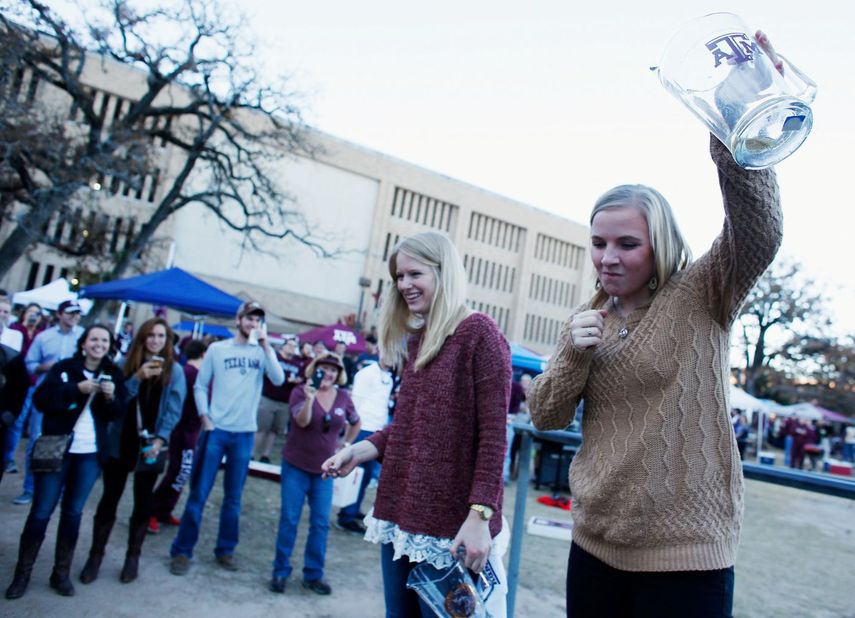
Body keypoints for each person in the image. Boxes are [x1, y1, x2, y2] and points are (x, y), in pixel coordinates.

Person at [526, 127, 782, 616]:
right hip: (595, 545)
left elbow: (758, 232)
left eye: (627, 243)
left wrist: (732, 127)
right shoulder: (586, 318)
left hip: (686, 556)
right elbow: (546, 415)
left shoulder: (702, 294)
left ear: (658, 244)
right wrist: (574, 356)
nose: (608, 257)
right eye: (598, 242)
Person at [322, 231, 512, 617]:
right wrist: (360, 450)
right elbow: (411, 425)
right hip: (401, 512)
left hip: (451, 527)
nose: (404, 284)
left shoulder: (480, 334)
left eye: (414, 274)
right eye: (398, 276)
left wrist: (480, 517)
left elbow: (494, 438)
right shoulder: (418, 340)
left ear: (444, 272)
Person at [5, 324, 126, 599]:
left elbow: (117, 413)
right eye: (94, 339)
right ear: (84, 343)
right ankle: (22, 574)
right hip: (57, 450)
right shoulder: (65, 368)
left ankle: (60, 573)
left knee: (73, 513)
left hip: (90, 454)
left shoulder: (113, 374)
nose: (99, 344)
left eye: (104, 340)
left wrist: (110, 397)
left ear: (109, 345)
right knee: (41, 511)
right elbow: (40, 400)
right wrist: (76, 389)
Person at [169, 300, 285, 575]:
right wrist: (205, 417)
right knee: (200, 492)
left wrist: (267, 345)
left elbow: (279, 379)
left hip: (244, 433)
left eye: (257, 319)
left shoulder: (261, 353)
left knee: (234, 497)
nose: (252, 323)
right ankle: (182, 551)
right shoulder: (217, 350)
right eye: (249, 318)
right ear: (238, 319)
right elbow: (199, 385)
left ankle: (225, 549)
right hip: (217, 430)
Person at [79, 318, 186, 585]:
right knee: (109, 500)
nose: (156, 341)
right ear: (142, 338)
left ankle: (132, 557)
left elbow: (174, 408)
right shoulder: (124, 364)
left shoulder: (175, 371)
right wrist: (137, 377)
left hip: (150, 446)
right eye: (151, 335)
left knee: (142, 503)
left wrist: (161, 439)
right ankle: (95, 556)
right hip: (121, 442)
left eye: (161, 336)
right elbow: (116, 400)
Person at [269, 352, 361, 595]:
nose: (328, 374)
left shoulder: (343, 396)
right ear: (315, 369)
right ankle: (280, 571)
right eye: (324, 368)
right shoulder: (300, 391)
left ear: (338, 374)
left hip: (325, 471)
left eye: (333, 370)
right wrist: (310, 399)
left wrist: (345, 446)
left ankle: (313, 574)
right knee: (289, 520)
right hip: (296, 467)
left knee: (320, 523)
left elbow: (355, 421)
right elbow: (302, 422)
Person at [14, 300, 84, 505]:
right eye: (70, 313)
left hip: (71, 398)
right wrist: (46, 367)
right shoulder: (44, 337)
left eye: (77, 314)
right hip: (46, 396)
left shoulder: (82, 337)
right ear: (60, 314)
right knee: (37, 439)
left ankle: (58, 490)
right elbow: (29, 364)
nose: (74, 317)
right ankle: (30, 487)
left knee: (66, 442)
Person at [149, 339, 208, 532]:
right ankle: (151, 510)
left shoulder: (196, 373)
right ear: (203, 354)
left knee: (182, 472)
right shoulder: (190, 373)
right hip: (183, 429)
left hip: (192, 429)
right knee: (179, 470)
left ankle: (164, 510)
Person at [334, 358, 393, 534]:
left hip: (377, 429)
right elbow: (354, 404)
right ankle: (346, 516)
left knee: (366, 476)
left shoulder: (388, 377)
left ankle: (355, 507)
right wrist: (349, 432)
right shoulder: (366, 374)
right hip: (363, 428)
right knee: (356, 475)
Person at [3, 302, 44, 475]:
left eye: (37, 313)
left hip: (31, 384)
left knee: (25, 425)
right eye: (30, 312)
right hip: (17, 382)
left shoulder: (40, 334)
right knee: (16, 425)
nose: (33, 316)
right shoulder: (16, 329)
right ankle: (8, 458)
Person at [254, 336, 306, 463]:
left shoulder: (297, 363)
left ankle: (265, 455)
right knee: (261, 428)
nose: (292, 348)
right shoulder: (275, 357)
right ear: (283, 346)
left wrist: (296, 381)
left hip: (285, 401)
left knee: (275, 430)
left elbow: (300, 378)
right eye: (290, 345)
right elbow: (268, 373)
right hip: (268, 398)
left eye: (294, 346)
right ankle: (253, 454)